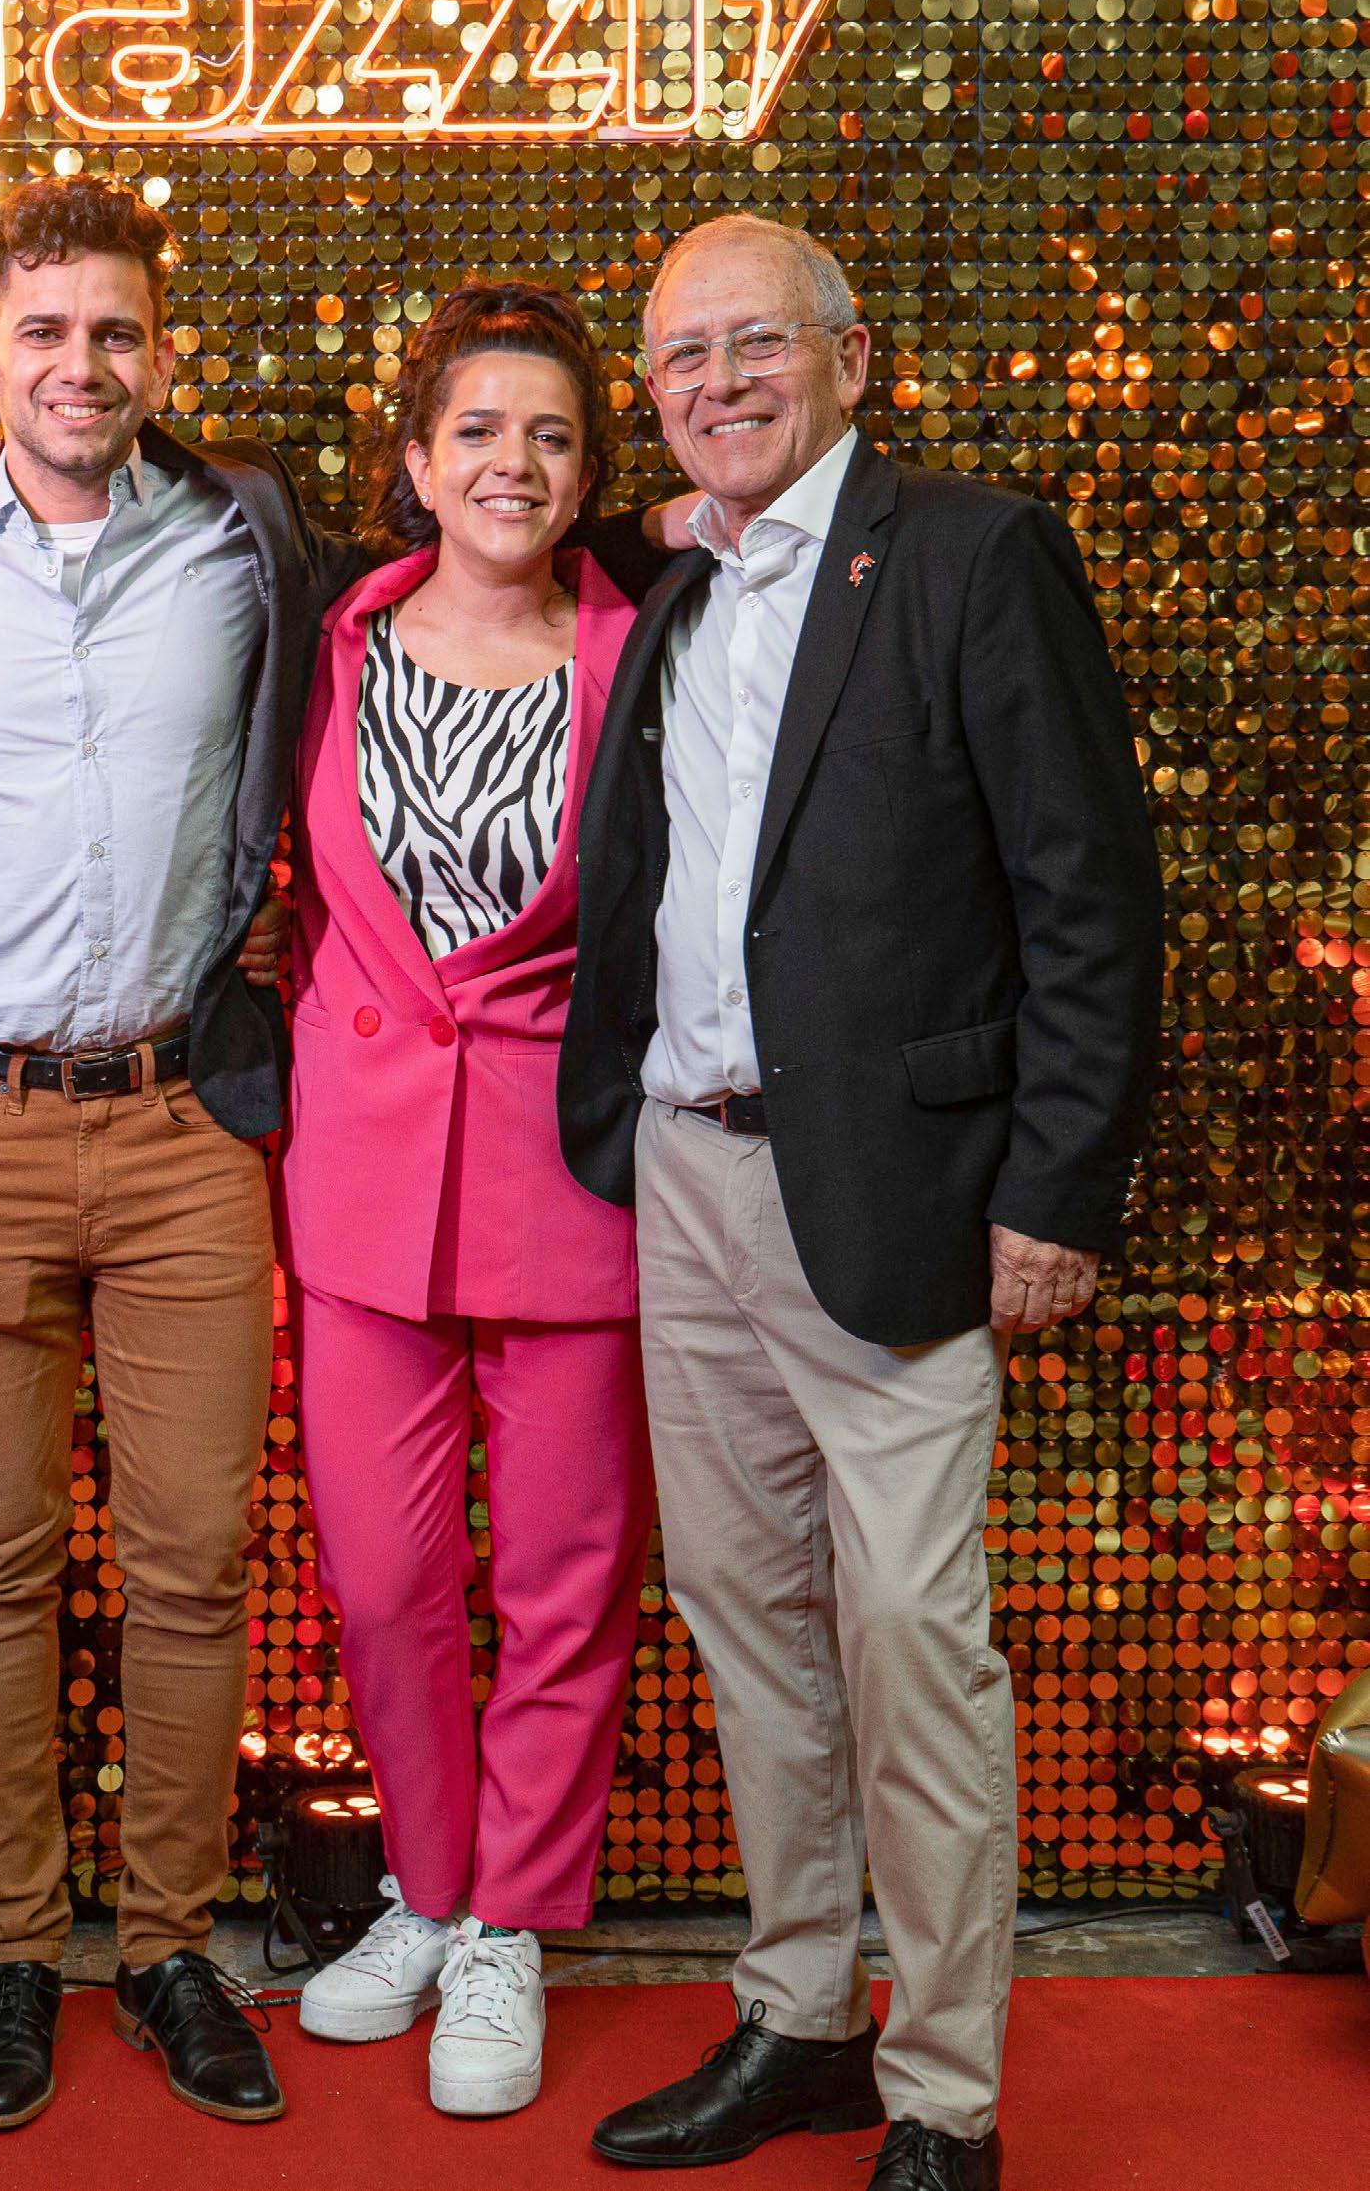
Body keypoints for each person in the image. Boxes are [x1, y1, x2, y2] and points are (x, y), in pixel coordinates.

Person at [559, 215, 1164, 2191]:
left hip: (899, 1192)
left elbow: (1091, 891)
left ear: (849, 355)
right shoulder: (677, 585)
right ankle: (804, 2013)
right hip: (687, 1172)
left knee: (910, 1640)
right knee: (749, 1626)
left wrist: (1057, 1183)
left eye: (756, 342)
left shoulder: (972, 554)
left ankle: (946, 2093)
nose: (718, 382)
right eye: (681, 356)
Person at [0, 173, 334, 2130]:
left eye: (113, 330)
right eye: (43, 330)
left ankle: (168, 1946)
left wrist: (288, 915)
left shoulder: (249, 531)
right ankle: (18, 1949)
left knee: (193, 1562)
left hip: (189, 1119)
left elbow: (411, 644)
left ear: (160, 353)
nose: (79, 363)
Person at [279, 284, 656, 2119]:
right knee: (382, 1579)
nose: (515, 463)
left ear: (588, 477)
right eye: (480, 431)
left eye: (552, 436)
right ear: (417, 461)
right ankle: (427, 1888)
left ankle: (511, 1920)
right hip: (361, 1175)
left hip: (570, 1173)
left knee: (564, 1584)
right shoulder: (328, 639)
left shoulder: (641, 649)